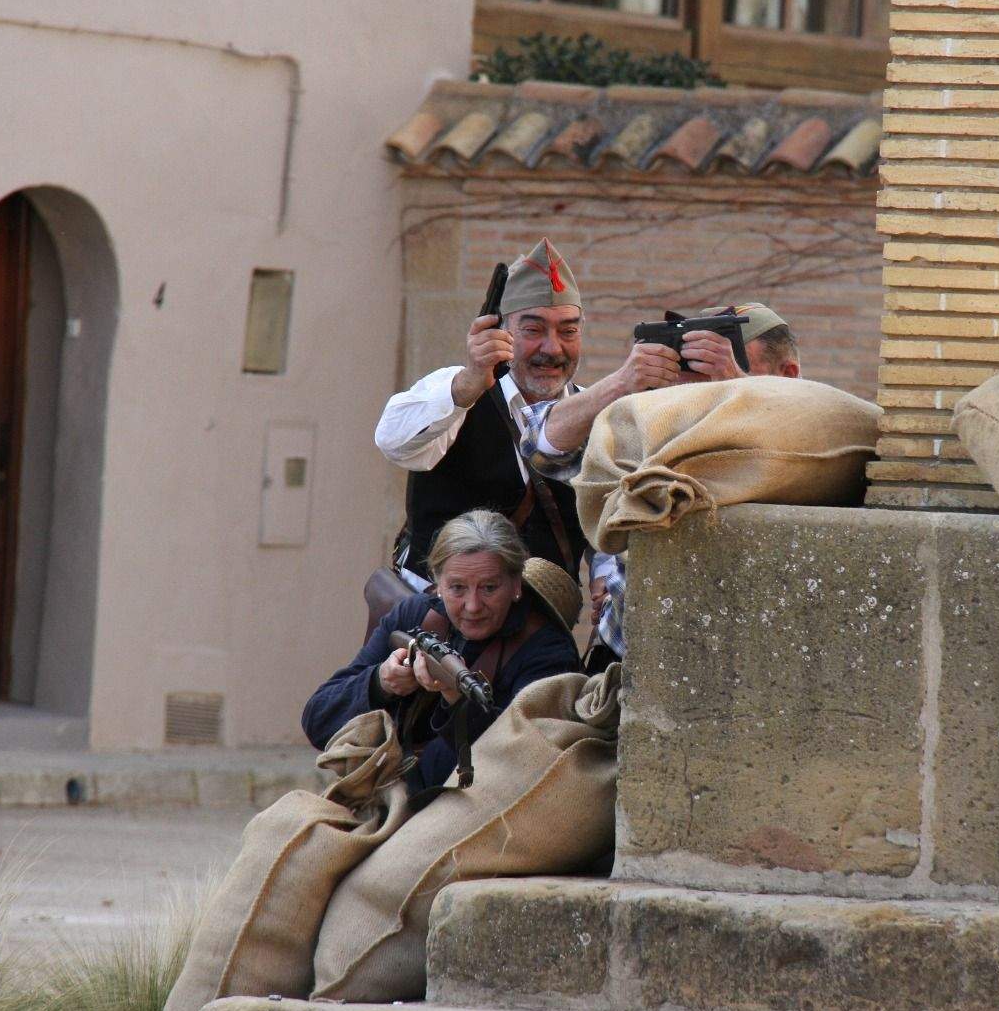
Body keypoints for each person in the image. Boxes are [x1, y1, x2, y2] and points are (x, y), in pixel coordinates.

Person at [525, 302, 803, 669]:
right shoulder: (661, 424)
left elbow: (803, 448)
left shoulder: (812, 439)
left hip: (745, 665)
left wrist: (739, 389)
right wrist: (623, 383)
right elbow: (543, 447)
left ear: (787, 375)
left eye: (726, 363)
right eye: (695, 366)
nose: (706, 387)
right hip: (627, 659)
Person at [374, 238, 599, 591]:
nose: (553, 348)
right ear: (502, 332)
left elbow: (609, 525)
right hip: (437, 626)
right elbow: (392, 442)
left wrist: (605, 580)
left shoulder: (595, 417)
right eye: (533, 330)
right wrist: (468, 384)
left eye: (567, 331)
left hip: (537, 633)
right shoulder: (457, 391)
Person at [303, 509, 582, 793]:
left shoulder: (546, 650)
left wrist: (457, 699)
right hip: (387, 795)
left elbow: (525, 764)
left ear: (516, 585)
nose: (472, 606)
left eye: (489, 587)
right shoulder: (417, 615)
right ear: (436, 584)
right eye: (457, 588)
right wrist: (381, 682)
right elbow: (318, 719)